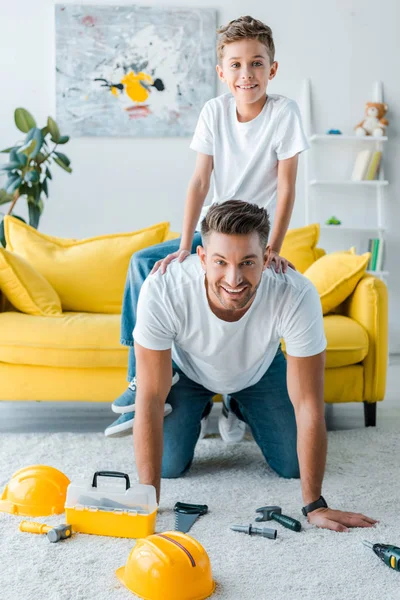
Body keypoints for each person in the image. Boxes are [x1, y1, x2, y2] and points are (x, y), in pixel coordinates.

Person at [105, 15, 309, 438]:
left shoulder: (283, 113)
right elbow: (199, 181)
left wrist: (273, 248)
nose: (246, 73)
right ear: (222, 72)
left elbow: (287, 188)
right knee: (144, 262)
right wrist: (184, 246)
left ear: (272, 69)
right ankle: (142, 381)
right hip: (213, 232)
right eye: (235, 64)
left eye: (256, 63)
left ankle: (237, 399)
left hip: (254, 236)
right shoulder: (214, 112)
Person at [132, 201, 377, 533]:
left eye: (247, 262)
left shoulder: (295, 292)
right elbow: (149, 396)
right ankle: (201, 409)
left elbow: (308, 403)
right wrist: (148, 505)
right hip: (189, 371)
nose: (234, 279)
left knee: (292, 465)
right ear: (202, 257)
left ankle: (237, 406)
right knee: (169, 466)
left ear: (266, 257)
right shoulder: (164, 288)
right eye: (220, 262)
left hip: (258, 371)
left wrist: (315, 505)